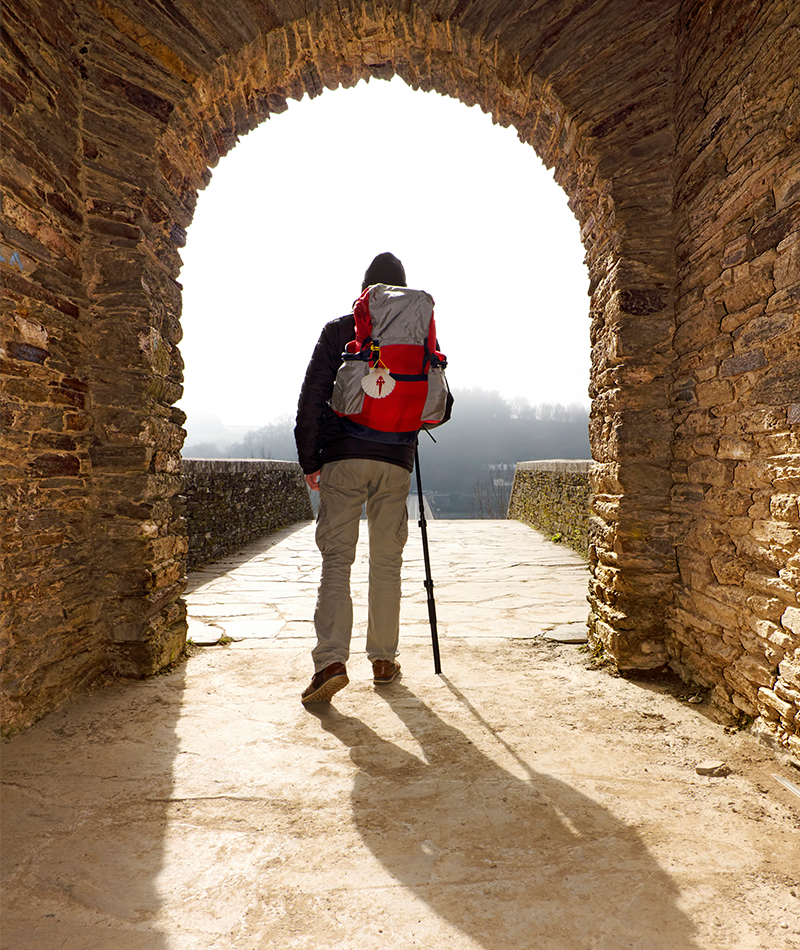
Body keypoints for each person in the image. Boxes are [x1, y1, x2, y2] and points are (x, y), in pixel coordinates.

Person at [294, 252, 416, 704]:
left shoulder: (339, 331)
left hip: (343, 458)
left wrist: (311, 459)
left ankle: (330, 661)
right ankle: (383, 658)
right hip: (395, 461)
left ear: (364, 289)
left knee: (336, 561)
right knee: (386, 562)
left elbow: (310, 400)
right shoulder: (417, 331)